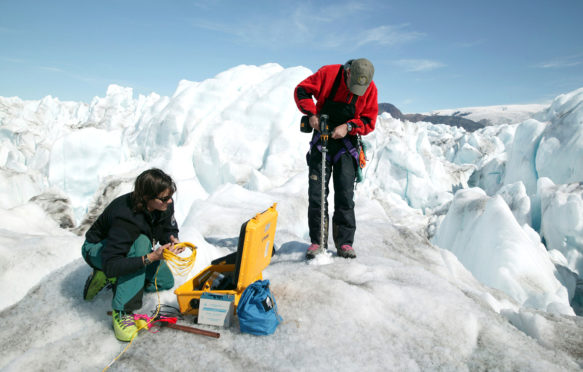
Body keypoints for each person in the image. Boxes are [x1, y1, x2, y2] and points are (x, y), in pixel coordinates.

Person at [81, 168, 185, 341]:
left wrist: (172, 238)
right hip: (98, 251)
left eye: (170, 196)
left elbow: (167, 227)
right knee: (141, 243)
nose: (169, 201)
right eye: (164, 198)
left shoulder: (164, 204)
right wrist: (149, 258)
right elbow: (111, 263)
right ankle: (122, 311)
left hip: (124, 251)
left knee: (164, 282)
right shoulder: (125, 217)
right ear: (146, 197)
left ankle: (116, 279)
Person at [294, 58, 378, 259]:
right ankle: (317, 241)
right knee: (317, 194)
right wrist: (312, 114)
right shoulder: (328, 74)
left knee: (345, 196)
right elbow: (301, 91)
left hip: (346, 146)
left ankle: (344, 244)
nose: (356, 90)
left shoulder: (370, 88)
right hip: (321, 139)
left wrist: (348, 127)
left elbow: (368, 120)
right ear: (348, 73)